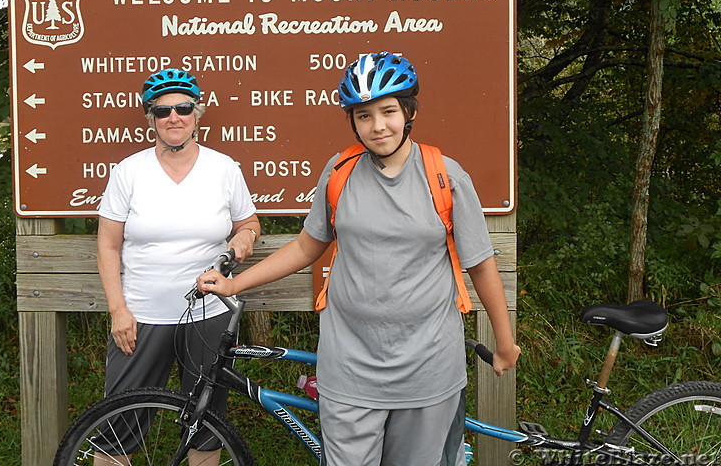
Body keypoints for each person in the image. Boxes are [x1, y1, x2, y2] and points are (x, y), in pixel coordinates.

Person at [198, 52, 520, 466]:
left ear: (408, 112)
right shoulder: (340, 172)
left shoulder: (447, 177)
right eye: (364, 116)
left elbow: (479, 265)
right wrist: (233, 284)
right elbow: (306, 246)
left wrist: (505, 342)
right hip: (349, 365)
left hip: (428, 366)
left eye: (388, 111)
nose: (377, 126)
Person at [95, 68, 260, 466]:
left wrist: (244, 239)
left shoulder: (223, 168)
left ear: (197, 114)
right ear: (150, 117)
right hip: (142, 315)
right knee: (117, 425)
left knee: (206, 428)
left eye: (183, 107)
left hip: (208, 315)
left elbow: (249, 222)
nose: (174, 117)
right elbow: (107, 243)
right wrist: (118, 310)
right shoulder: (129, 171)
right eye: (162, 110)